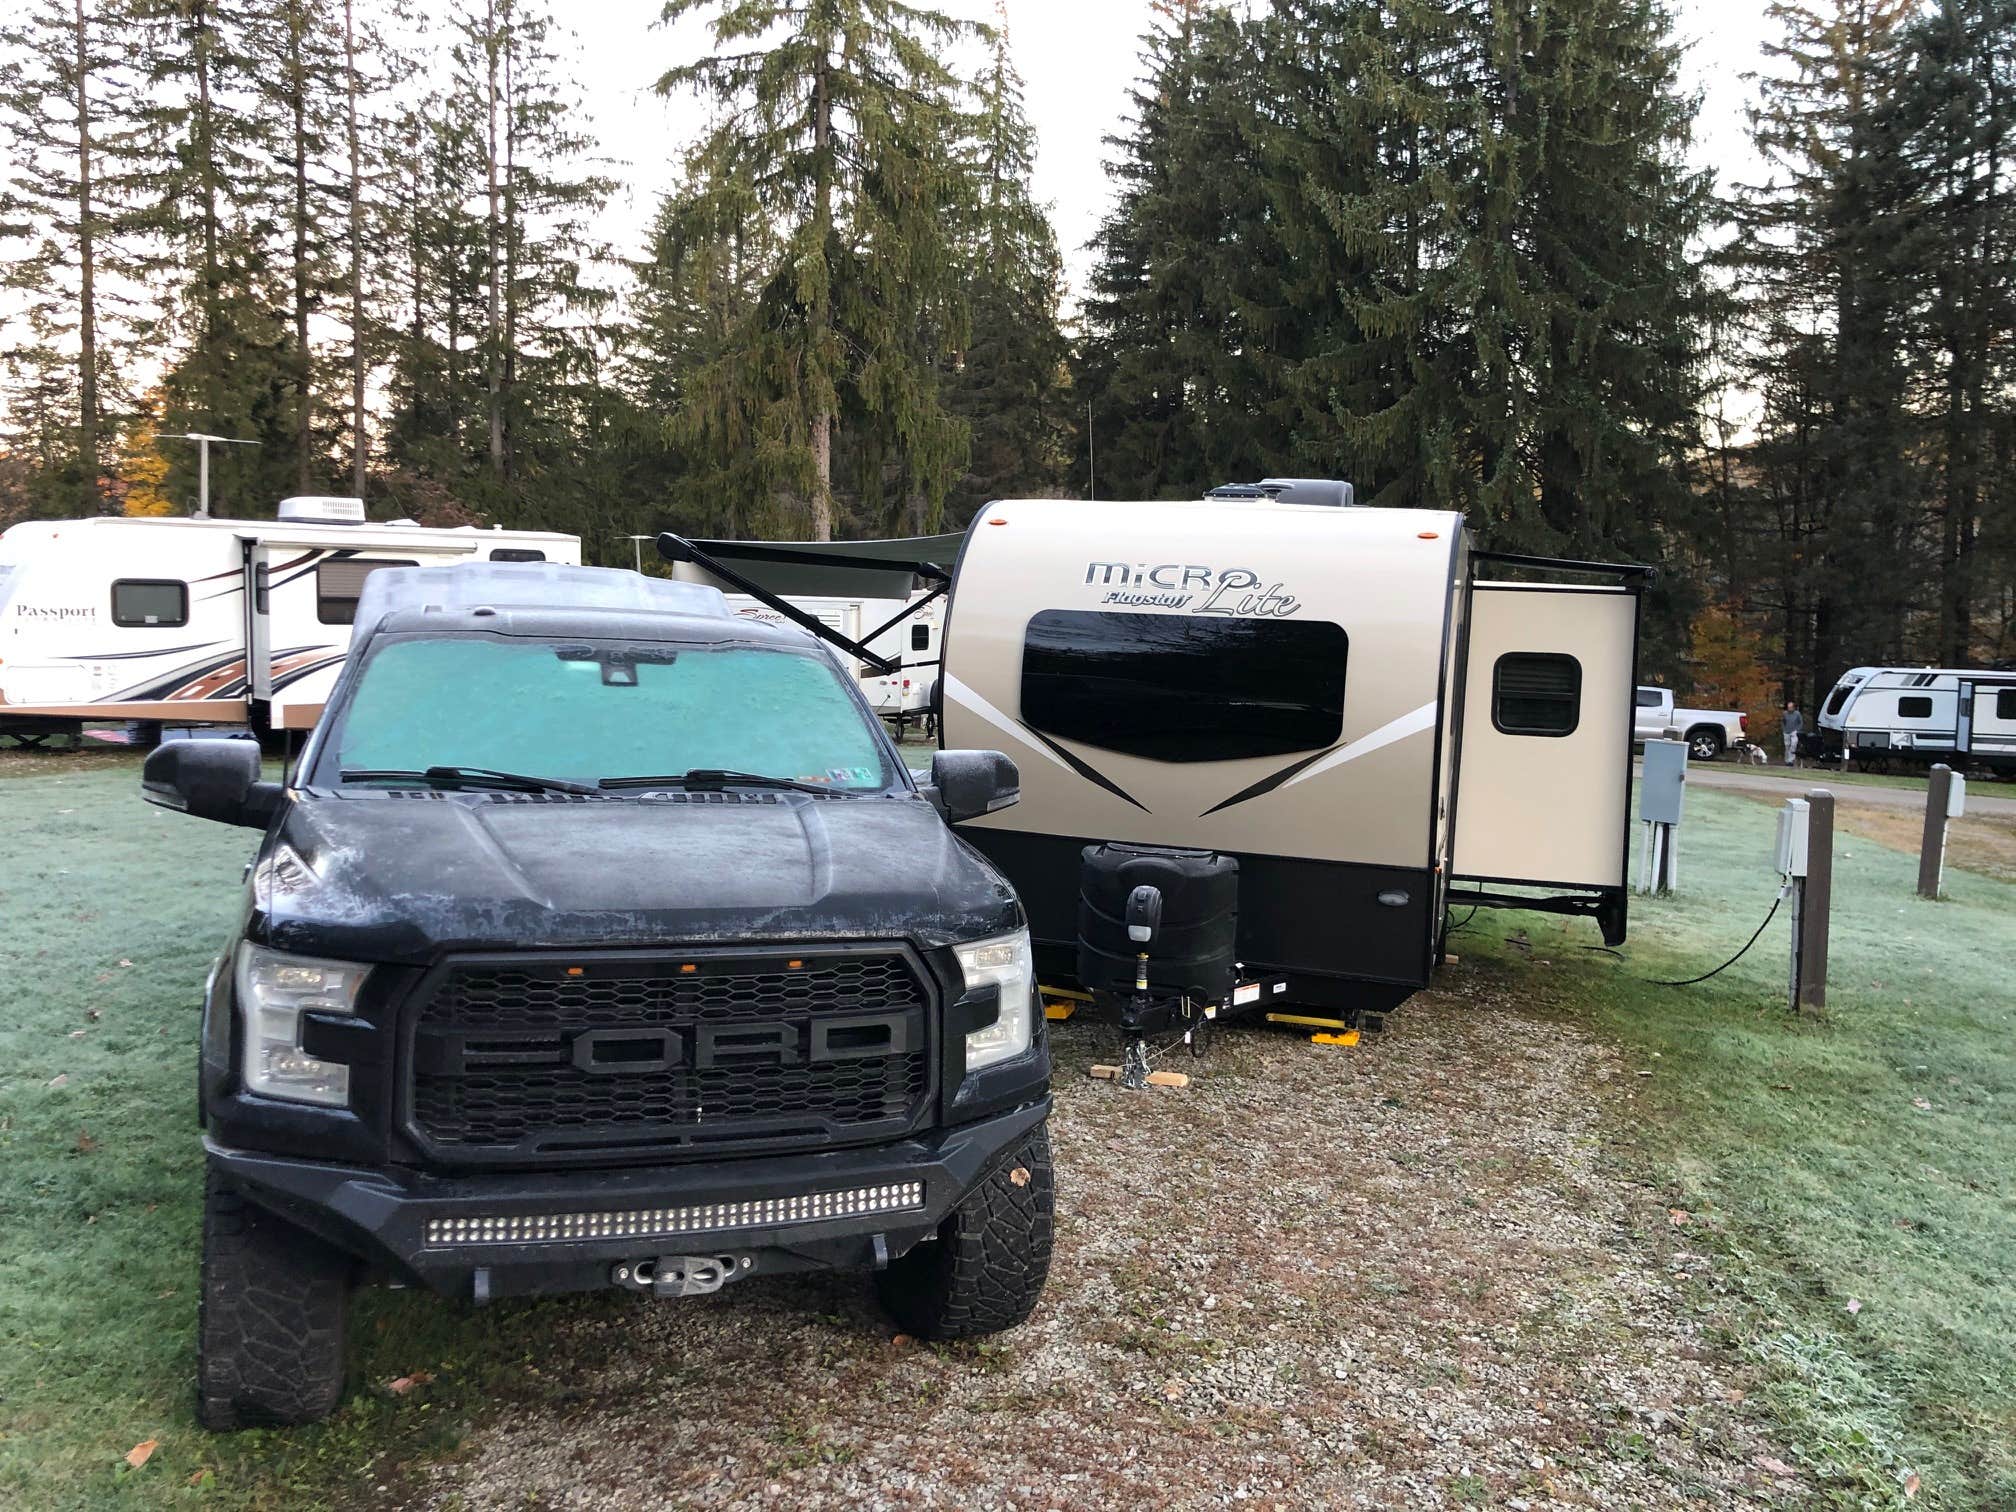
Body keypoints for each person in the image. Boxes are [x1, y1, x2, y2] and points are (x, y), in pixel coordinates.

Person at [1782, 699, 1804, 768]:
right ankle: (1787, 760)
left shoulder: (1797, 714)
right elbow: (1782, 722)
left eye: (1791, 707)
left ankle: (1791, 760)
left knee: (1793, 744)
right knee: (1787, 746)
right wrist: (1783, 729)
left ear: (1793, 707)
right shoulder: (1785, 713)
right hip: (1786, 731)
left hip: (1794, 731)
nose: (1789, 709)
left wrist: (1797, 730)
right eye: (1788, 707)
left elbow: (1801, 722)